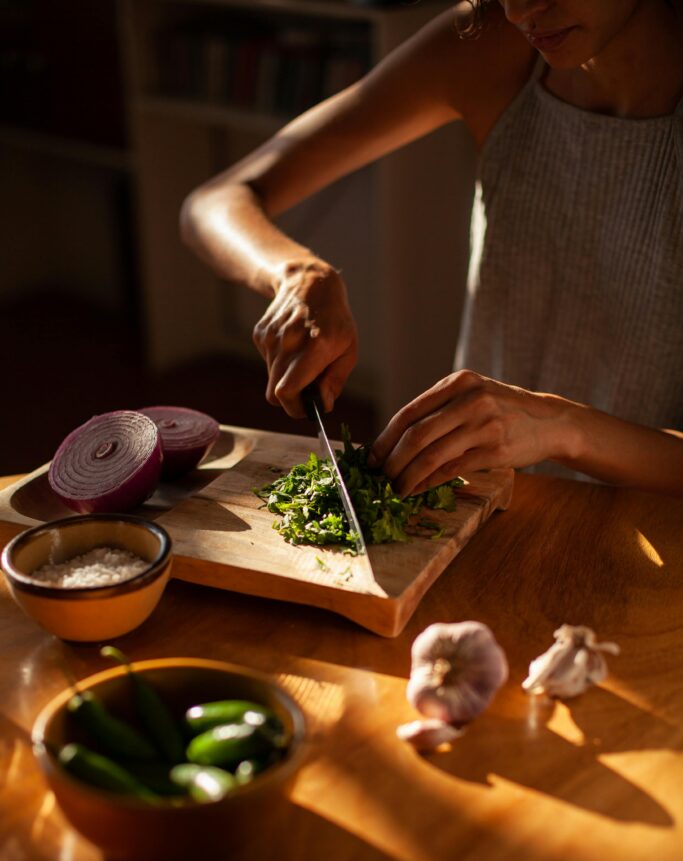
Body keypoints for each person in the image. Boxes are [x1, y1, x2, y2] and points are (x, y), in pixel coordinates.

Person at [181, 0, 683, 498]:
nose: (518, 10)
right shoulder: (491, 43)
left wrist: (560, 426)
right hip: (484, 507)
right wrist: (297, 274)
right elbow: (214, 202)